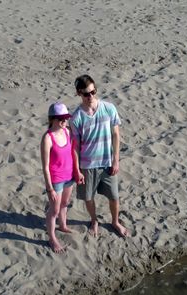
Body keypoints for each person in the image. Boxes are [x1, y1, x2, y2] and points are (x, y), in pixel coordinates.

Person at [70, 75, 129, 237]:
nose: (90, 97)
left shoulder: (109, 108)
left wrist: (116, 160)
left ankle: (115, 221)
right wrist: (77, 169)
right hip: (87, 165)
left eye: (93, 92)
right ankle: (94, 220)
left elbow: (116, 135)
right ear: (78, 94)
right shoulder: (76, 117)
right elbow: (75, 146)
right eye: (86, 94)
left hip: (107, 162)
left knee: (114, 196)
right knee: (89, 197)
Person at [40, 102, 79, 253]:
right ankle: (52, 238)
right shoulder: (47, 138)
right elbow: (45, 167)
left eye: (66, 118)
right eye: (62, 119)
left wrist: (77, 172)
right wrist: (49, 188)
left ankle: (62, 225)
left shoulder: (67, 132)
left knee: (65, 203)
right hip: (56, 180)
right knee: (54, 210)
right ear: (53, 119)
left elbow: (73, 153)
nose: (65, 121)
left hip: (69, 176)